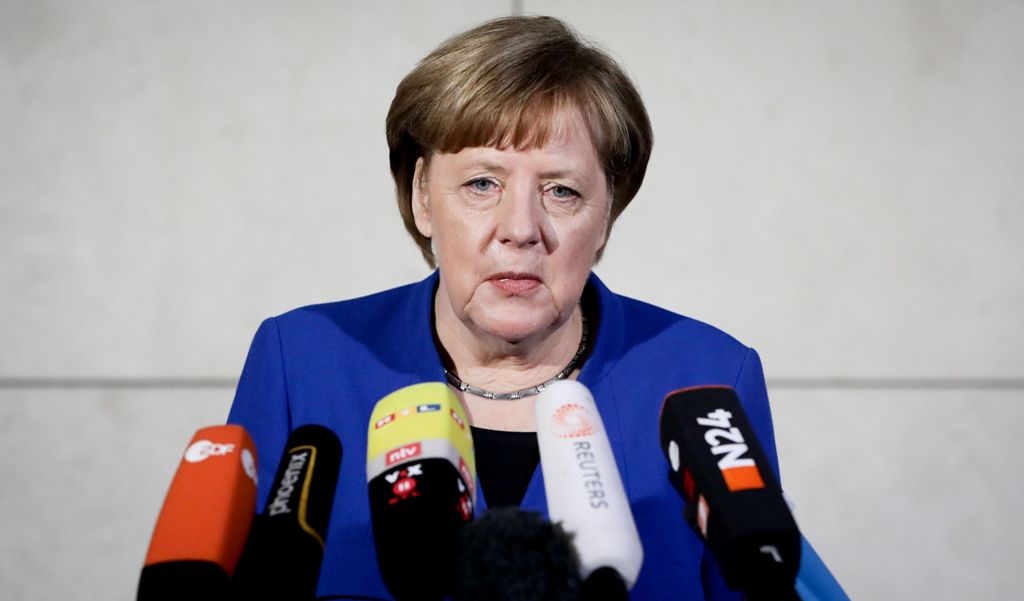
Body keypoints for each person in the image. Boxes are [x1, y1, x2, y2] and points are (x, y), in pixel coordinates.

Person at [229, 15, 781, 600]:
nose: (520, 229)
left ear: (606, 215)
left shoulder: (707, 378)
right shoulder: (303, 360)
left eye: (561, 190)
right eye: (482, 184)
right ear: (421, 196)